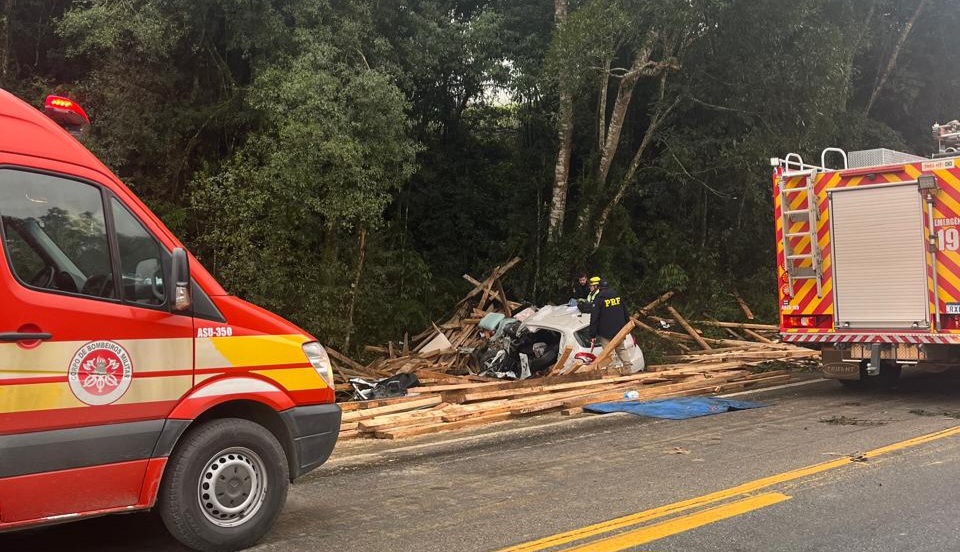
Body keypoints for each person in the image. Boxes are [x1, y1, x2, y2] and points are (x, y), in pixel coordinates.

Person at [588, 280, 635, 374]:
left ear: (599, 287)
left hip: (606, 331)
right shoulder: (617, 296)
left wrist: (592, 334)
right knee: (621, 349)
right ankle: (628, 369)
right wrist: (627, 326)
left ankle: (612, 373)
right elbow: (625, 311)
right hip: (619, 330)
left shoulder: (599, 298)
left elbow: (594, 318)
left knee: (609, 353)